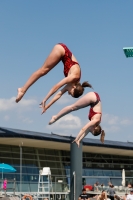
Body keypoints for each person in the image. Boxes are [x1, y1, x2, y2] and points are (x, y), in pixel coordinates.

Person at [16, 43, 92, 110]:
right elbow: (56, 87)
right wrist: (45, 99)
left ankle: (22, 90)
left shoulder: (72, 84)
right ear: (74, 88)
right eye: (70, 93)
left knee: (44, 71)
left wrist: (47, 106)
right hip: (62, 50)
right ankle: (22, 90)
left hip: (62, 55)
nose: (68, 93)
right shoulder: (73, 77)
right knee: (43, 70)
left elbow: (59, 94)